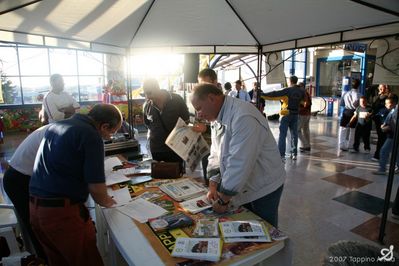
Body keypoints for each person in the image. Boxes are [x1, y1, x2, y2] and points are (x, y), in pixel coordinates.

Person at [29, 103, 121, 266]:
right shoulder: (90, 134)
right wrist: (109, 202)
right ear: (104, 126)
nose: (109, 138)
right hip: (61, 215)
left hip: (36, 210)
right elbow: (96, 187)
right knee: (87, 260)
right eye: (111, 133)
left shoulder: (57, 126)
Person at [190, 83, 285, 227]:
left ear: (211, 98)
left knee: (265, 230)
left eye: (199, 108)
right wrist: (213, 185)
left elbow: (239, 162)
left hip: (263, 186)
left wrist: (223, 199)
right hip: (244, 183)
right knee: (247, 226)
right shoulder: (218, 116)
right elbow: (216, 152)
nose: (199, 114)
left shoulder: (243, 116)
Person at [3, 125, 49, 260]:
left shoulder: (59, 129)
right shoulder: (62, 133)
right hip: (19, 181)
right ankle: (43, 259)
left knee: (38, 222)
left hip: (23, 177)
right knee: (34, 224)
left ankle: (45, 256)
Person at [143, 78, 190, 171]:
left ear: (157, 88)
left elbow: (186, 120)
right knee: (158, 176)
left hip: (176, 149)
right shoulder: (147, 106)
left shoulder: (177, 100)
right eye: (145, 94)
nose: (147, 97)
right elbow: (148, 124)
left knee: (177, 175)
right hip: (157, 149)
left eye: (149, 93)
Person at [262, 76, 305, 160]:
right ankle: (294, 154)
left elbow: (274, 94)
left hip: (286, 114)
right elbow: (302, 103)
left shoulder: (288, 90)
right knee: (294, 134)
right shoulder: (301, 91)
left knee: (282, 135)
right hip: (295, 114)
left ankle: (281, 155)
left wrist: (263, 95)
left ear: (290, 81)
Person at [195, 68, 217, 184]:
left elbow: (227, 127)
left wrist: (206, 128)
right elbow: (198, 121)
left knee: (220, 182)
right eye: (200, 84)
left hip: (219, 150)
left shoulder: (222, 101)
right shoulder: (199, 100)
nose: (202, 88)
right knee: (208, 181)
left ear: (215, 82)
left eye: (205, 84)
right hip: (205, 147)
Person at [373, 96, 399, 175]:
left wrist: (388, 127)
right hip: (392, 135)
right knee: (397, 153)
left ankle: (382, 169)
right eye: (385, 103)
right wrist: (384, 125)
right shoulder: (392, 110)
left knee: (384, 151)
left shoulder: (396, 111)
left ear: (394, 103)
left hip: (393, 136)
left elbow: (395, 125)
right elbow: (387, 120)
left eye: (388, 104)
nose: (386, 105)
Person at [338, 78, 361, 152]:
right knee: (352, 129)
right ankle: (351, 145)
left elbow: (342, 104)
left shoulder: (345, 93)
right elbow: (356, 104)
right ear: (359, 86)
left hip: (346, 111)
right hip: (354, 112)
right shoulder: (359, 94)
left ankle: (341, 144)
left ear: (352, 85)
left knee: (343, 128)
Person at [371, 84, 391, 161]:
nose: (380, 90)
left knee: (382, 138)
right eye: (379, 88)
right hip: (377, 120)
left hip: (384, 120)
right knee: (381, 137)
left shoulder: (387, 98)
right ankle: (381, 153)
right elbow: (374, 108)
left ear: (385, 89)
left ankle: (378, 155)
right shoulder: (377, 97)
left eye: (382, 88)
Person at [298, 82, 312, 152]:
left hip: (303, 114)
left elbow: (306, 104)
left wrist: (299, 108)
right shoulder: (307, 93)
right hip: (307, 114)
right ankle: (308, 145)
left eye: (299, 87)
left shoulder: (303, 94)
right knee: (306, 131)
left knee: (297, 130)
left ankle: (305, 145)